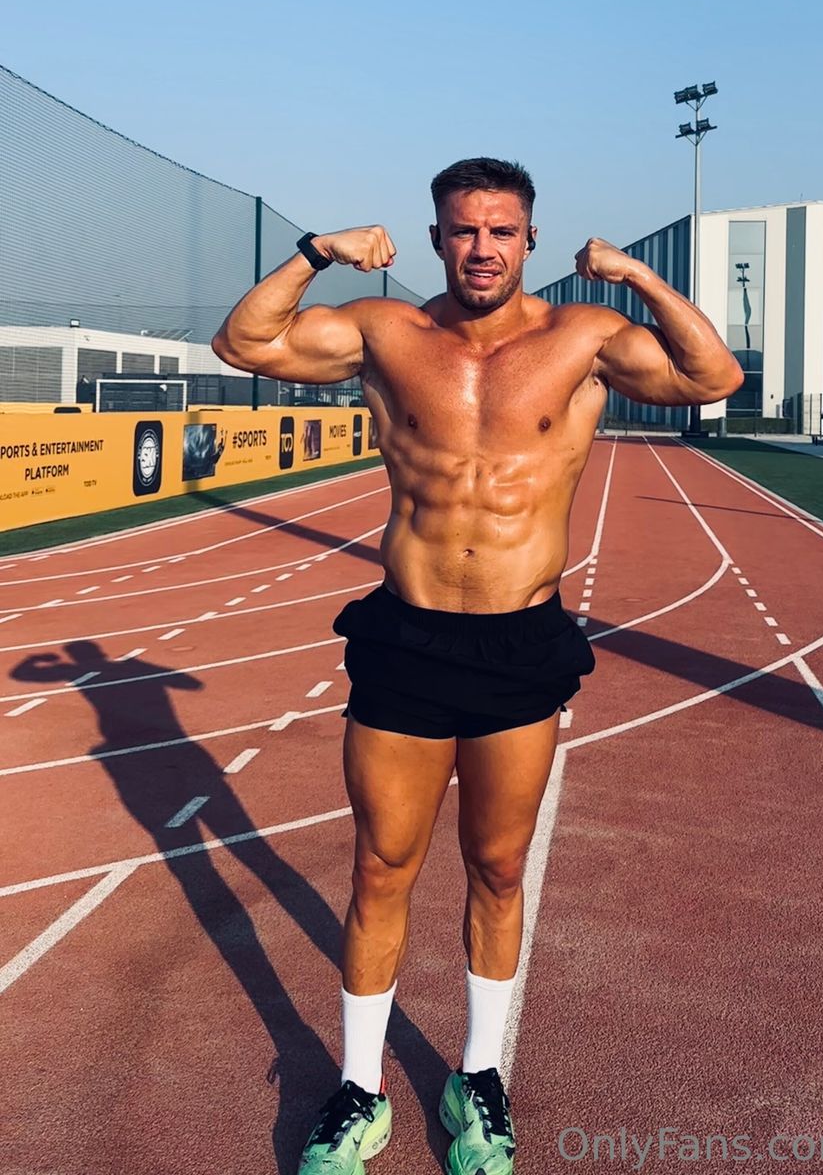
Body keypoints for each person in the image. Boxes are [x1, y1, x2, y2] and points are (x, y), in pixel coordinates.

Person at [212, 157, 742, 1175]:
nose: (483, 248)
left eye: (502, 230)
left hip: (518, 642)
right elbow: (244, 342)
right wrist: (317, 252)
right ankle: (358, 1090)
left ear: (530, 239)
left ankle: (480, 1078)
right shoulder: (386, 331)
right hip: (407, 638)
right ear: (438, 237)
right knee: (381, 867)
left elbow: (712, 378)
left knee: (498, 868)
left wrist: (638, 276)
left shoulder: (584, 338)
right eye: (464, 230)